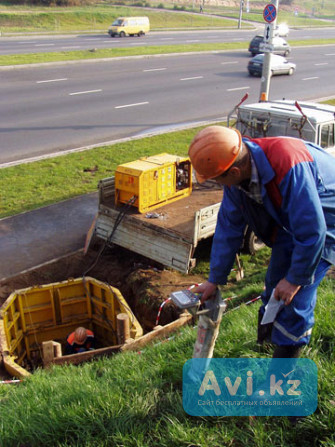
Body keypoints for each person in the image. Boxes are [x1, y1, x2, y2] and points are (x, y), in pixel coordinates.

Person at [188, 126, 335, 359]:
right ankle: (268, 345)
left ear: (234, 171)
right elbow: (229, 227)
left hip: (327, 222)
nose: (218, 185)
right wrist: (213, 280)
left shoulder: (288, 164)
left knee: (294, 302)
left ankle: (280, 382)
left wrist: (295, 280)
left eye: (217, 180)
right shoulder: (239, 173)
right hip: (295, 222)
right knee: (274, 288)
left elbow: (313, 231)